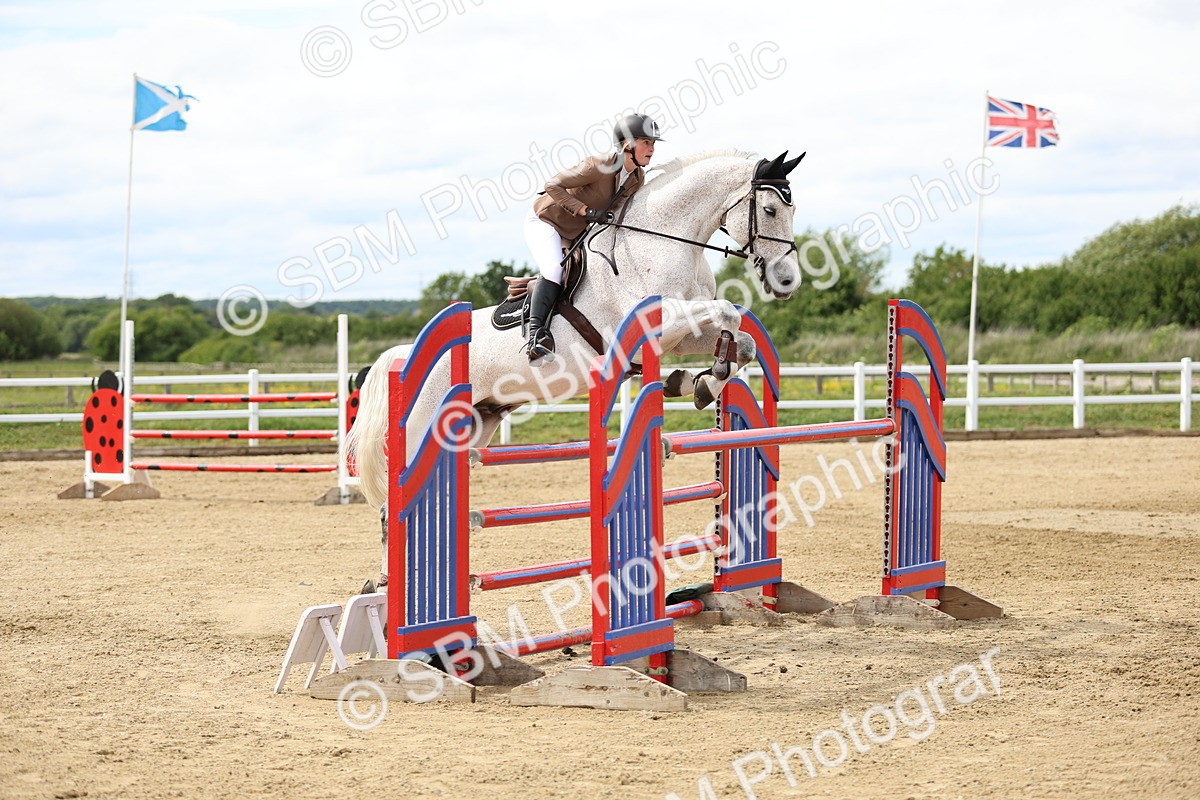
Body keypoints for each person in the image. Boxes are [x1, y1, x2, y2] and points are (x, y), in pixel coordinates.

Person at [522, 113, 664, 363]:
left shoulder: (636, 179)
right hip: (546, 222)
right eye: (646, 142)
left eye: (653, 144)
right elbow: (553, 185)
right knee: (555, 270)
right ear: (627, 144)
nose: (651, 149)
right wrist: (585, 211)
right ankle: (536, 337)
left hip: (578, 231)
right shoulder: (599, 165)